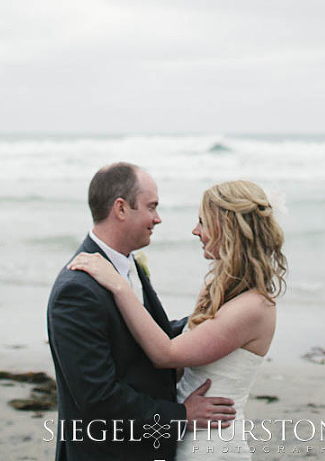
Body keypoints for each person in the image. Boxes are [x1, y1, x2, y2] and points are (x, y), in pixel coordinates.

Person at [69, 179, 287, 460]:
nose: (196, 231)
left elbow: (167, 354)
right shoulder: (215, 287)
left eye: (203, 222)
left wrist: (119, 286)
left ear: (229, 228)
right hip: (186, 431)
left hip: (212, 442)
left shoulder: (255, 307)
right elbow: (182, 366)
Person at [47, 163, 237, 460]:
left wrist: (225, 320)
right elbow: (98, 399)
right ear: (121, 209)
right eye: (152, 207)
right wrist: (180, 416)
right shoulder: (77, 291)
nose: (158, 219)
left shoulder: (128, 265)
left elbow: (151, 336)